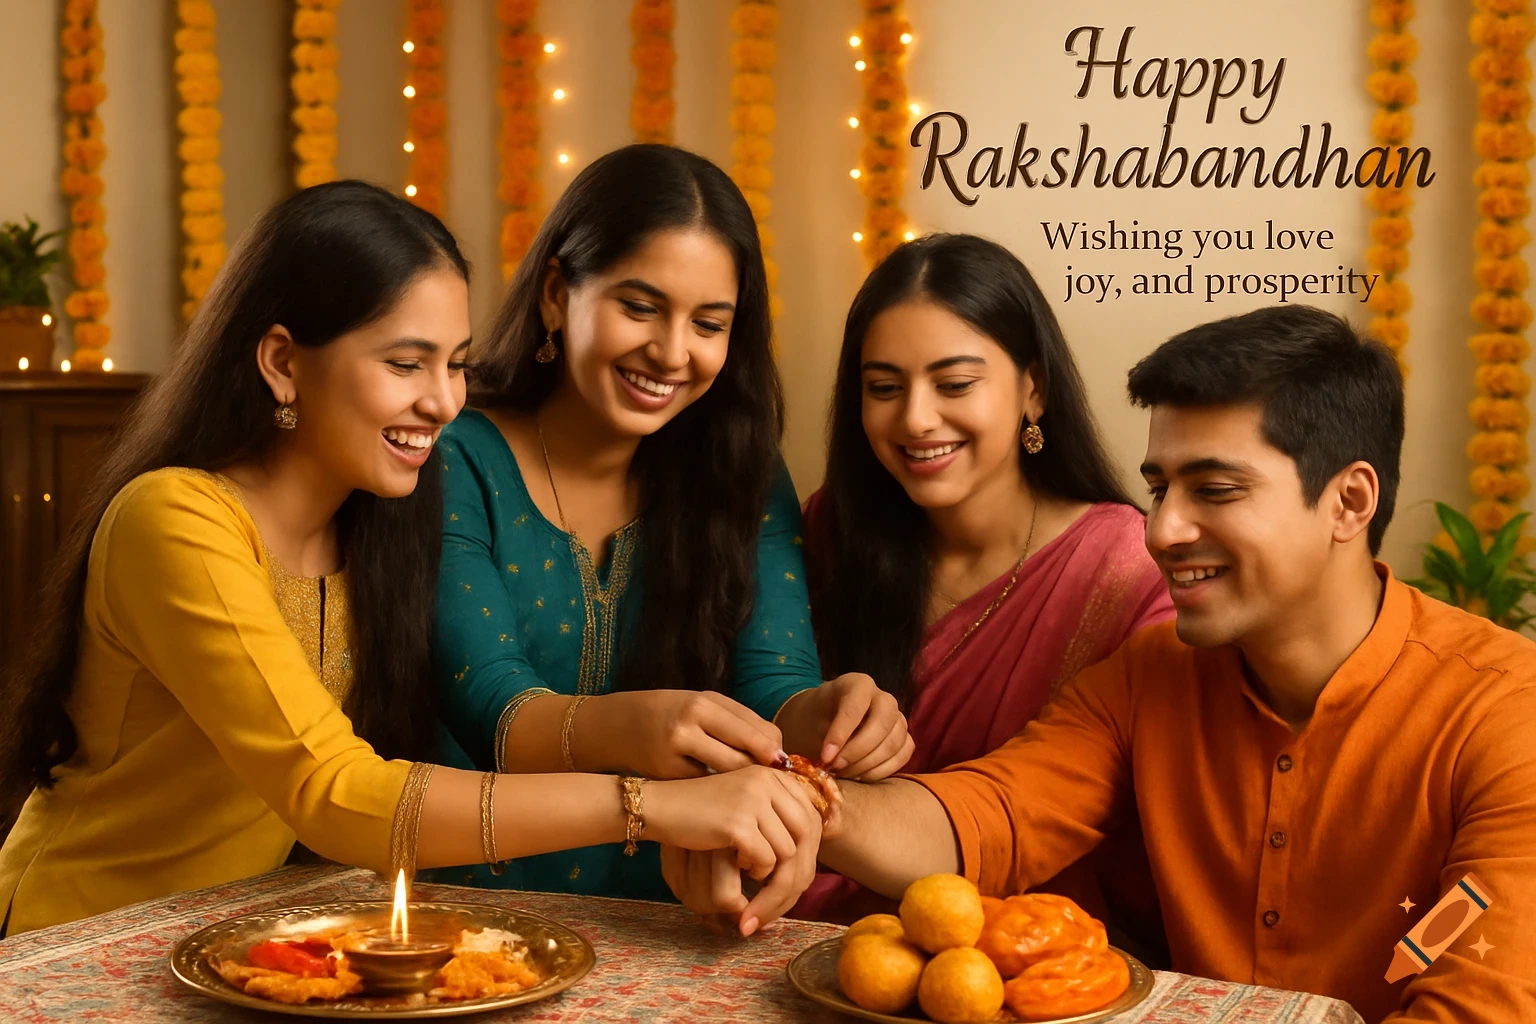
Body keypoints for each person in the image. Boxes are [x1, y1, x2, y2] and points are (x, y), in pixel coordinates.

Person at [0, 181, 824, 936]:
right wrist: (651, 806)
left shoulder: (380, 522)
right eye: (405, 363)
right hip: (81, 945)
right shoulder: (176, 520)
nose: (443, 401)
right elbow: (334, 794)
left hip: (246, 946)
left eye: (456, 364)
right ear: (283, 362)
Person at [696, 305, 1535, 1021]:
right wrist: (801, 806)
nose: (1162, 529)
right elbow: (986, 816)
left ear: (1349, 500)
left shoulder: (1503, 714)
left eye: (1216, 489)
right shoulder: (1149, 674)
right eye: (1161, 486)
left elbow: (1481, 1000)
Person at [431, 144, 909, 913]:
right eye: (640, 306)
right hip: (460, 919)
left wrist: (826, 717)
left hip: (670, 927)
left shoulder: (740, 476)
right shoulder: (453, 454)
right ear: (557, 294)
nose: (672, 351)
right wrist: (642, 727)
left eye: (709, 323)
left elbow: (771, 688)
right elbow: (493, 709)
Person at [793, 234, 1171, 943]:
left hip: (1021, 960)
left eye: (955, 384)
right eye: (883, 388)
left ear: (1034, 387)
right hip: (807, 945)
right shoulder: (830, 532)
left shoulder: (1127, 573)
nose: (915, 418)